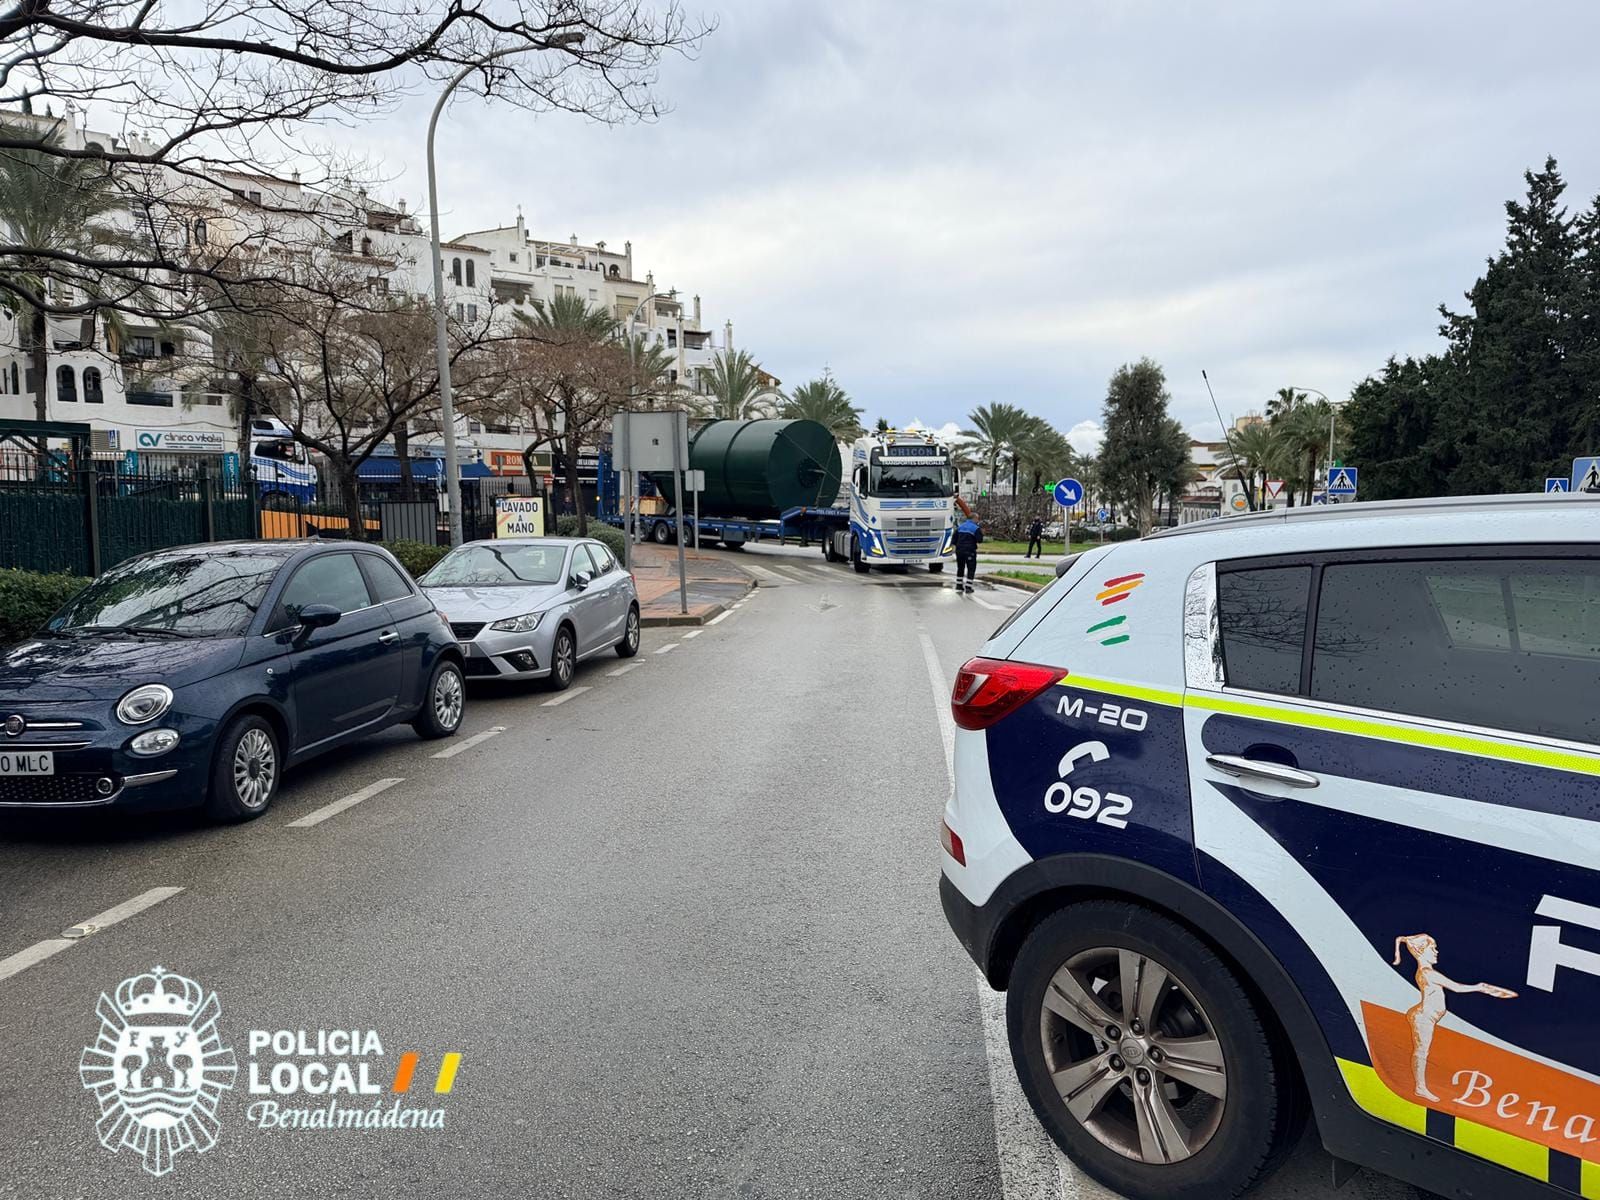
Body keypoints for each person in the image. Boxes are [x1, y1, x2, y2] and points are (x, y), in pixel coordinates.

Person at [1392, 933, 1516, 1102]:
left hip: (1428, 1016)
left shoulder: (1427, 972)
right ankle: (1420, 1087)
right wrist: (1478, 987)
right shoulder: (1428, 973)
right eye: (1432, 949)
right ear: (1421, 951)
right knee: (1422, 1051)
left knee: (1424, 1050)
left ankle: (1421, 1086)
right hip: (1423, 1017)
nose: (1436, 952)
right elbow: (1456, 988)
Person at [953, 516, 982, 592]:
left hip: (959, 550)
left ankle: (959, 585)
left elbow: (954, 539)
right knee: (971, 568)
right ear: (974, 518)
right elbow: (979, 540)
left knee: (960, 568)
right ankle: (968, 587)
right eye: (977, 519)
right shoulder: (975, 528)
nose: (978, 520)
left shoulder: (960, 527)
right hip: (970, 550)